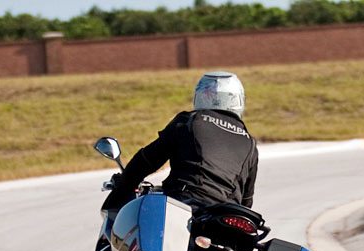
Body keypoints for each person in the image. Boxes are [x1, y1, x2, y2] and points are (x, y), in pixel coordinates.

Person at [102, 71, 258, 212]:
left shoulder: (189, 122)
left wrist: (123, 186)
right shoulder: (250, 142)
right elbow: (246, 199)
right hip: (228, 213)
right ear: (238, 100)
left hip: (186, 202)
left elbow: (147, 160)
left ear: (200, 97)